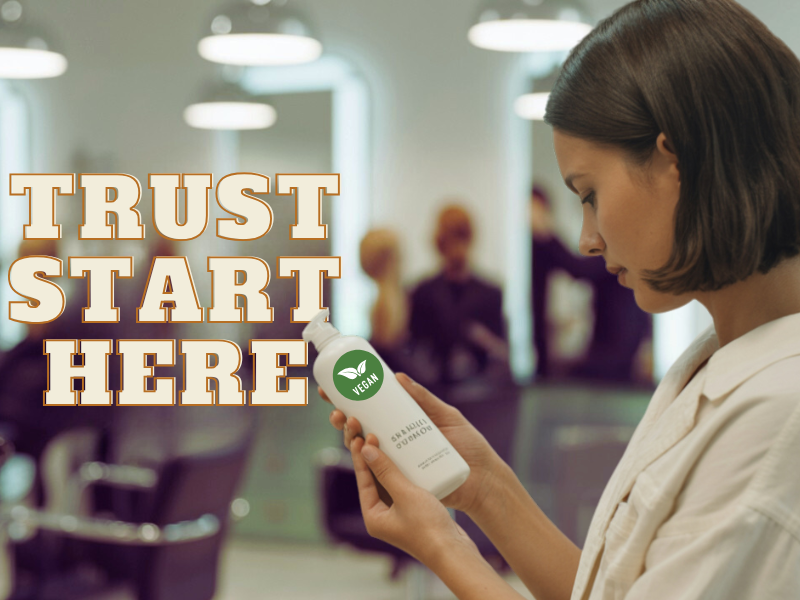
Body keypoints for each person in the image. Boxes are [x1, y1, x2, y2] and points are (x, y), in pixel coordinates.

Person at [319, 0, 800, 598]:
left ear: (675, 161)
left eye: (590, 193)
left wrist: (444, 546)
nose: (587, 239)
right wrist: (484, 485)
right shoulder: (714, 362)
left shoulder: (779, 418)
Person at [530, 185, 653, 384]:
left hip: (618, 343)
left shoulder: (618, 241)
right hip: (616, 339)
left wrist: (547, 232)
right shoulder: (620, 239)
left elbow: (580, 270)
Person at [407, 202, 511, 396]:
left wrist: (483, 339)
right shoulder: (423, 292)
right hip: (433, 389)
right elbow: (413, 347)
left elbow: (501, 351)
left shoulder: (491, 292)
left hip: (480, 393)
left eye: (460, 235)